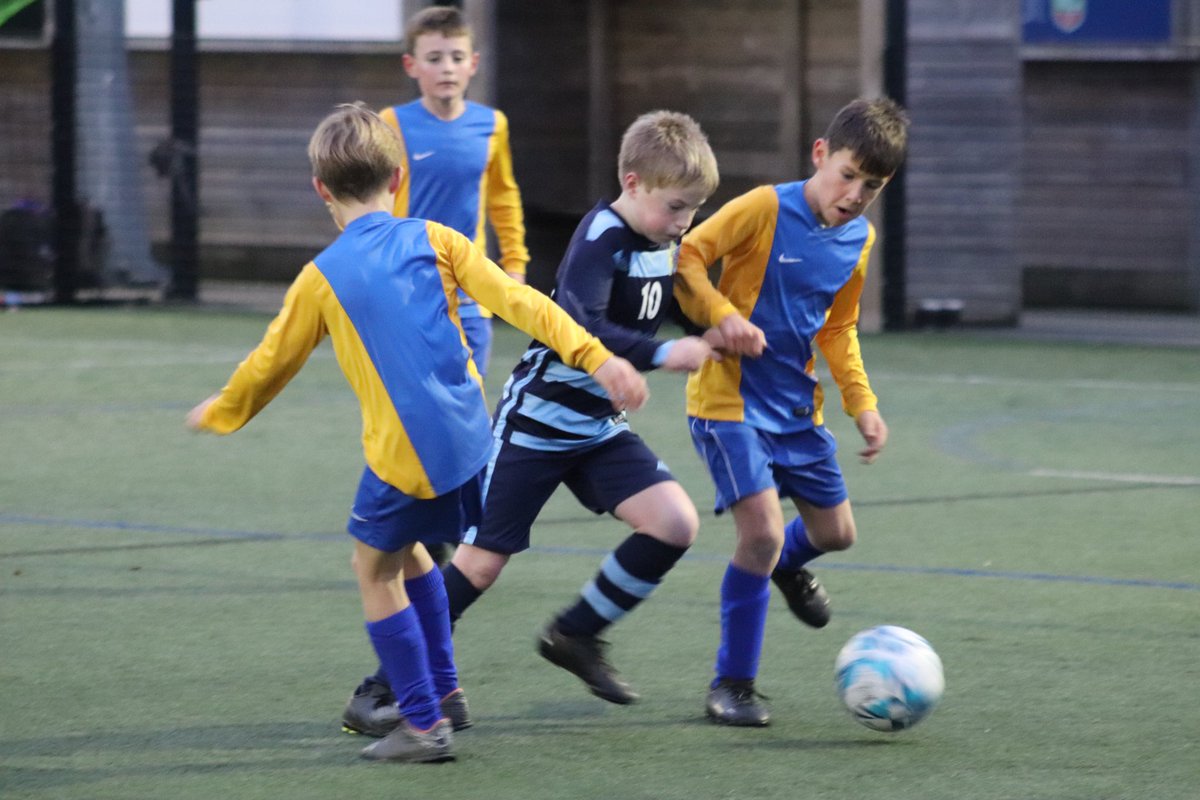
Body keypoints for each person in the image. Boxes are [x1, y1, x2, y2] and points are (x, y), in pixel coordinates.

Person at [186, 102, 647, 763]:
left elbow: (269, 366)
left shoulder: (320, 279)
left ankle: (423, 723)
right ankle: (446, 692)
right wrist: (596, 356)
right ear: (399, 179)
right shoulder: (438, 239)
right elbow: (523, 302)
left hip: (409, 454)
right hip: (470, 442)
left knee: (373, 568)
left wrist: (221, 411)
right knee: (416, 556)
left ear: (320, 189)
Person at [341, 110, 765, 733]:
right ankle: (380, 688)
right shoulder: (599, 238)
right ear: (633, 182)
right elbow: (584, 324)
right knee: (481, 563)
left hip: (596, 427)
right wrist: (661, 353)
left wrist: (717, 324)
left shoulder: (661, 240)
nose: (685, 224)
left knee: (674, 523)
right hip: (537, 423)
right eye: (677, 208)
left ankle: (575, 634)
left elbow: (664, 301)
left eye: (694, 211)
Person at [681, 97, 910, 726]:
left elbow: (839, 328)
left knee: (837, 534)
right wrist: (723, 317)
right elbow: (687, 257)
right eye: (847, 174)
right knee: (759, 531)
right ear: (819, 154)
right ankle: (731, 685)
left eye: (873, 185)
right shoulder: (763, 207)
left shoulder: (859, 239)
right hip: (728, 401)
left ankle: (782, 568)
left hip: (796, 410)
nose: (855, 193)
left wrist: (862, 404)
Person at [379, 5, 528, 380]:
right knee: (415, 401)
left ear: (472, 63)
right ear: (411, 65)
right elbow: (377, 202)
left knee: (468, 400)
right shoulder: (392, 123)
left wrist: (514, 265)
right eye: (434, 58)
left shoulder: (492, 125)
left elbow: (503, 199)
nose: (447, 67)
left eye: (456, 57)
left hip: (470, 291)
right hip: (409, 286)